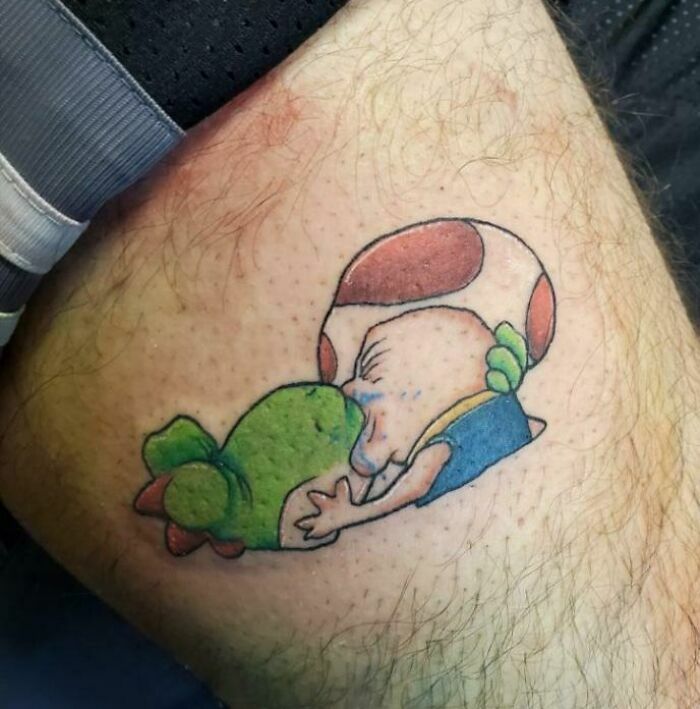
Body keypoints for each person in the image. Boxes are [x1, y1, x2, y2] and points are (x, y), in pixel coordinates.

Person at [1, 1, 699, 707]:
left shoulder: (454, 419)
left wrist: (345, 516)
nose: (350, 395)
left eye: (369, 370)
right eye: (364, 371)